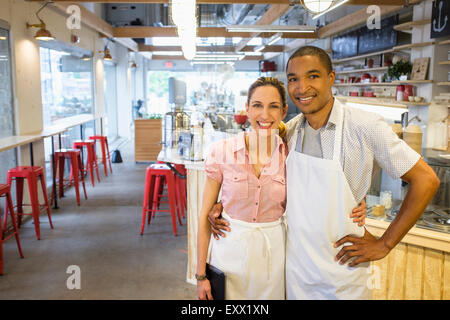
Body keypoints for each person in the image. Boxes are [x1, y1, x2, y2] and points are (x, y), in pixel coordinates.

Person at [208, 46, 440, 300]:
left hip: (343, 274)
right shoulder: (291, 130)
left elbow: (426, 180)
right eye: (294, 79)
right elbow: (258, 159)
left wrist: (385, 243)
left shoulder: (365, 126)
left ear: (331, 78)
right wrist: (227, 203)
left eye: (313, 76)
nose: (302, 87)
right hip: (296, 273)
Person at [196, 77, 366, 300]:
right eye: (257, 105)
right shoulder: (221, 152)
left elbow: (324, 187)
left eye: (273, 106)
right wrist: (200, 275)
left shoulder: (292, 155)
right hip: (228, 251)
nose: (265, 115)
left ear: (284, 111)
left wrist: (355, 201)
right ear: (246, 109)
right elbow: (203, 217)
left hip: (273, 255)